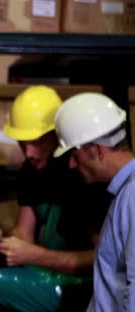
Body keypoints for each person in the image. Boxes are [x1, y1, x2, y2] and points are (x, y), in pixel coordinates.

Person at [0, 86, 111, 312]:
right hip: (46, 269)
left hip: (79, 285)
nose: (29, 153)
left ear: (57, 135)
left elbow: (103, 258)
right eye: (23, 143)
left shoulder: (84, 174)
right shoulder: (32, 170)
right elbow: (24, 234)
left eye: (36, 143)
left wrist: (38, 256)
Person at [53, 92, 135, 312]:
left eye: (75, 154)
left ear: (97, 150)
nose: (71, 164)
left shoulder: (132, 196)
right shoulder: (125, 193)